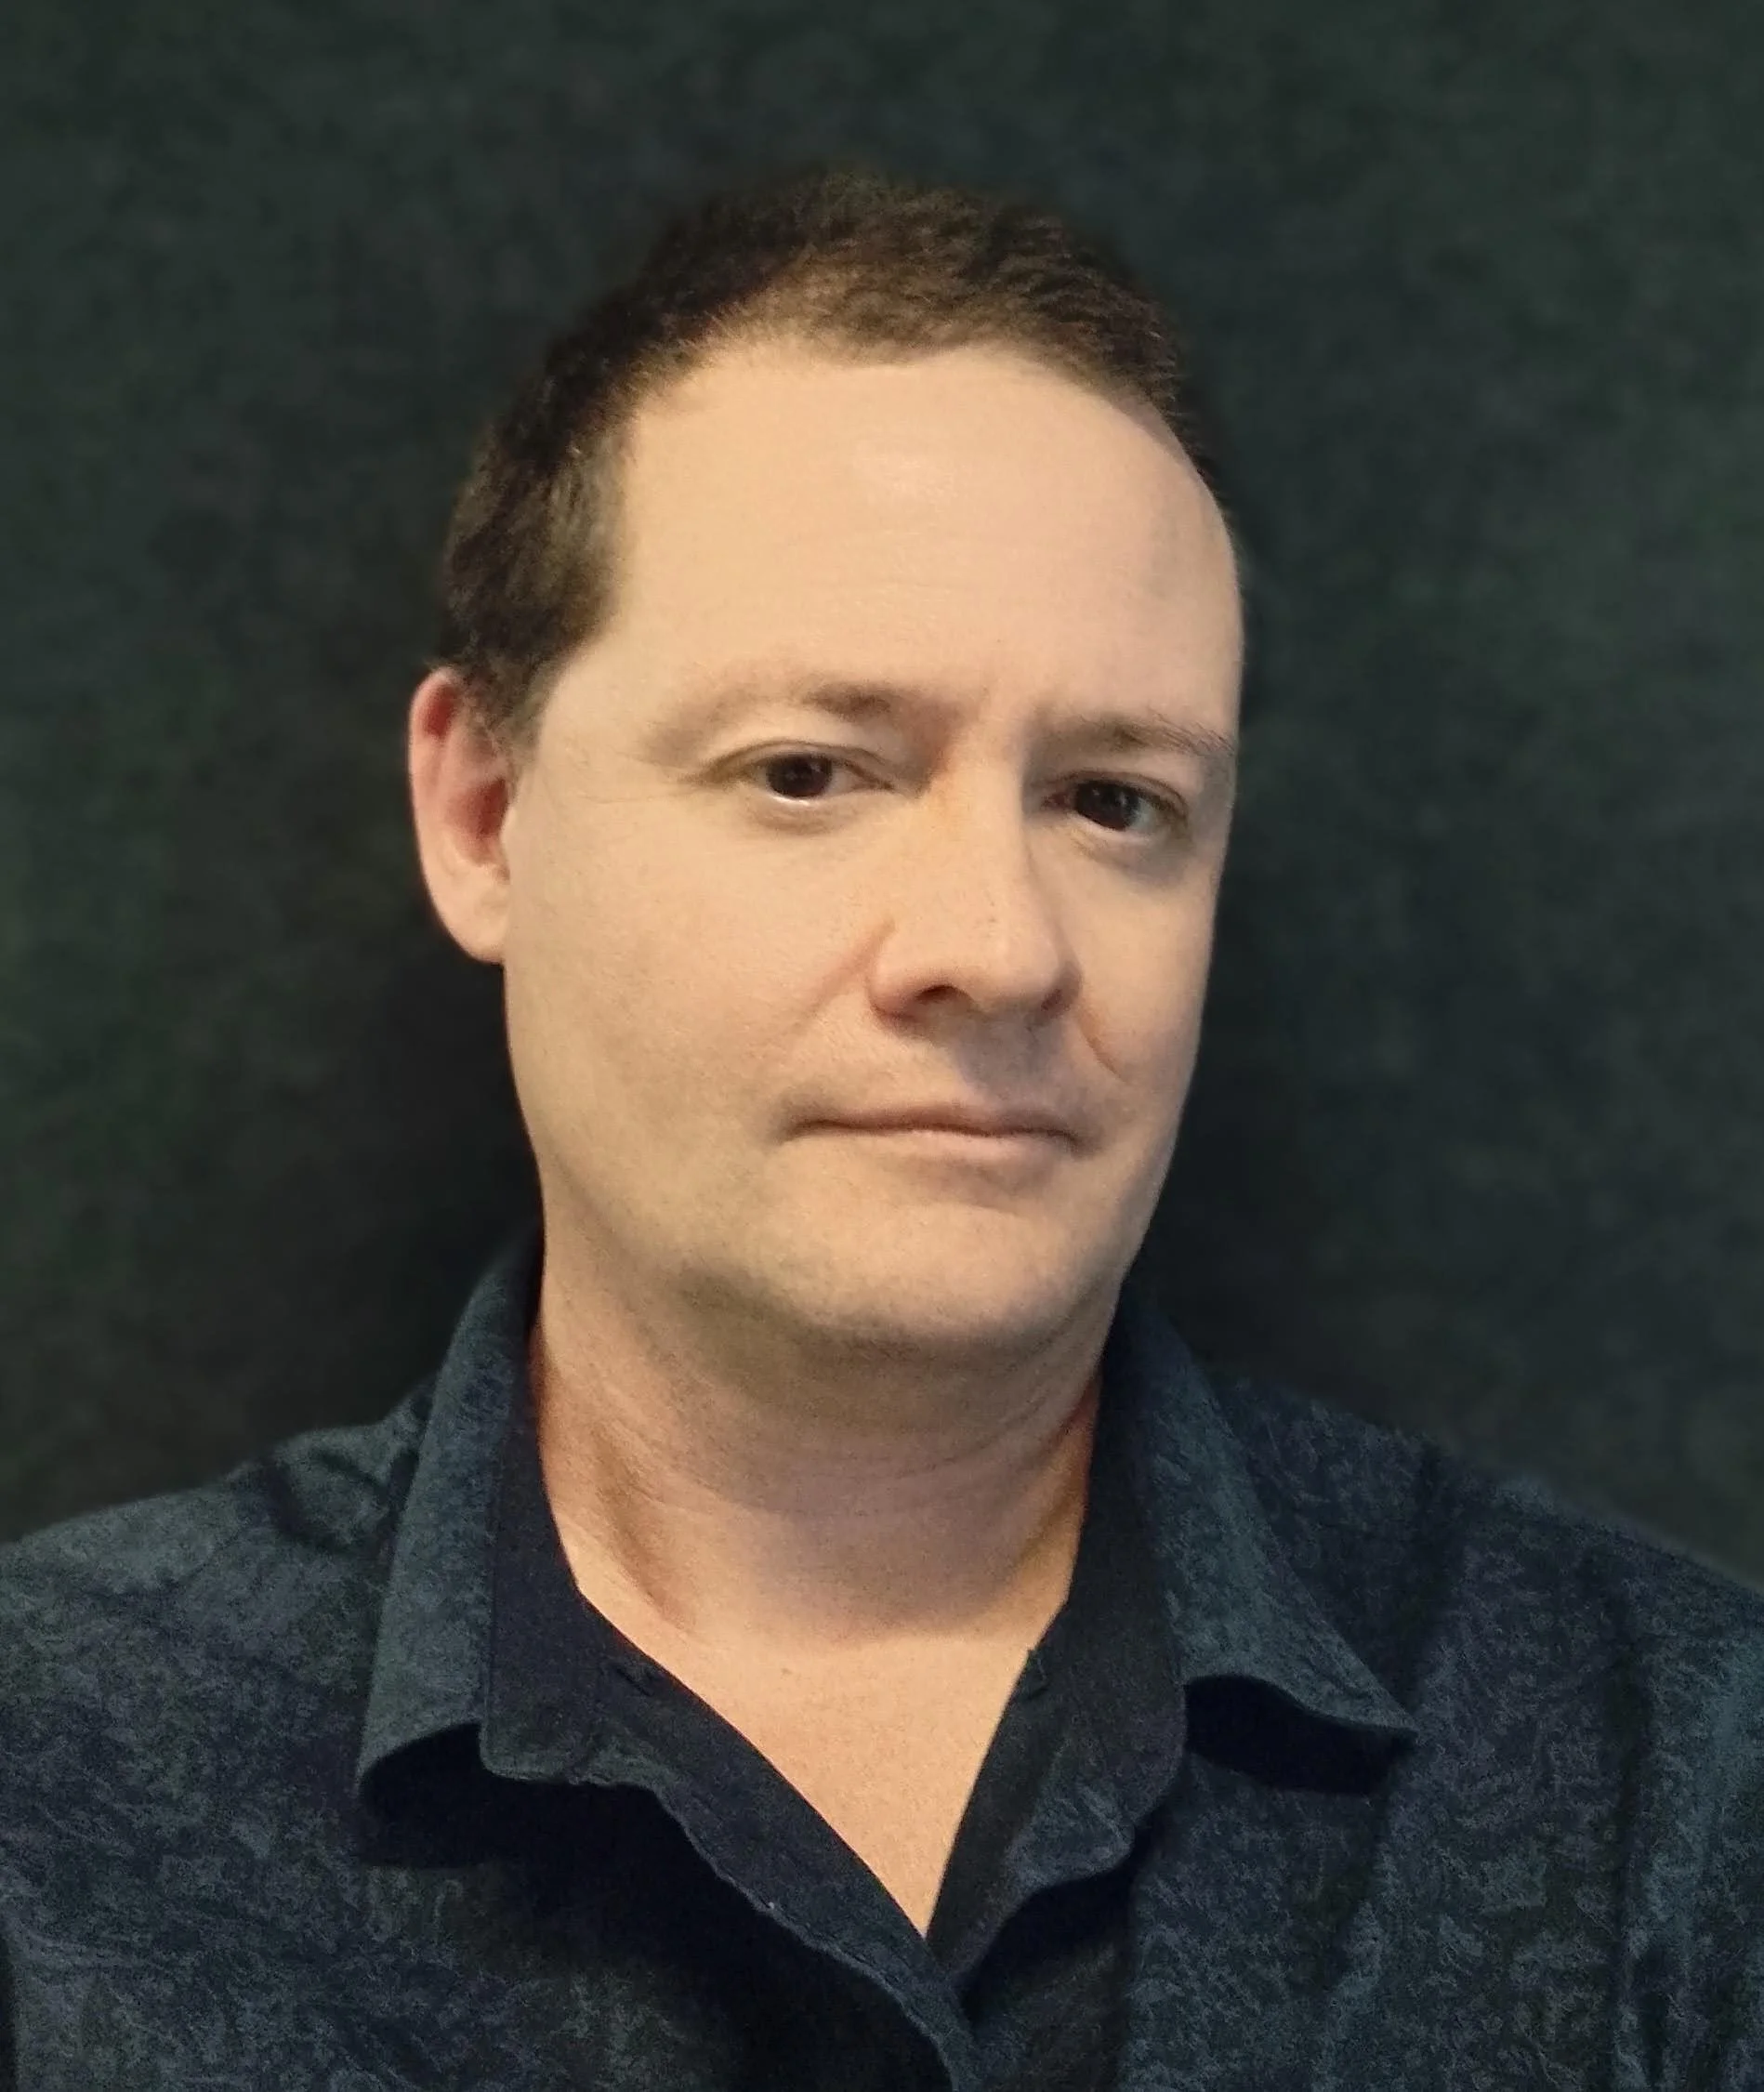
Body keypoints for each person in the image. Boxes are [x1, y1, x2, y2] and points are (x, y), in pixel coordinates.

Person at [3, 158, 1762, 2092]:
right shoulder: (55, 1780)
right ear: (484, 815)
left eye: (1112, 801)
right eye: (810, 771)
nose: (994, 949)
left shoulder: (1674, 1787)